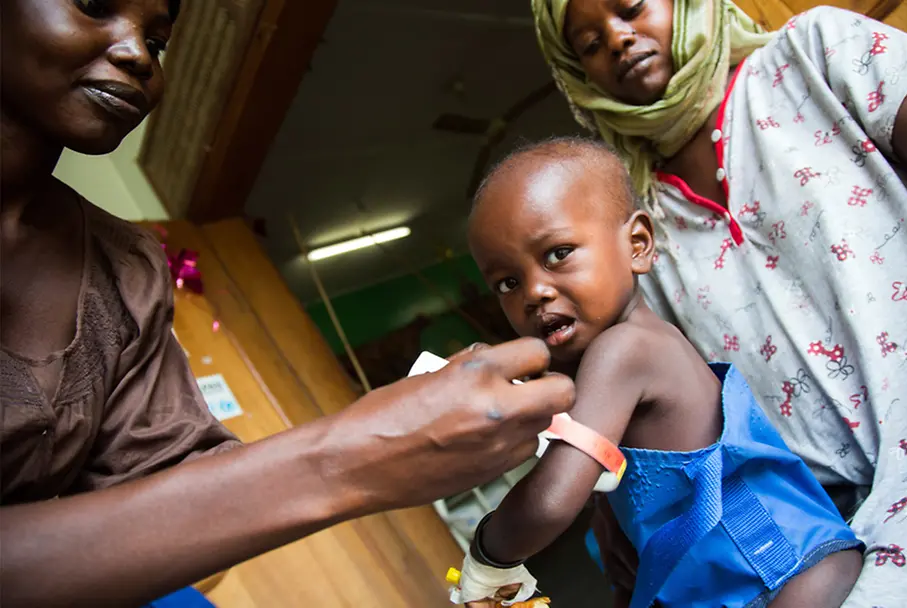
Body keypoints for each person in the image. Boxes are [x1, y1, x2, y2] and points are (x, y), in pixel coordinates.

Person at [0, 1, 574, 605]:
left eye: (158, 41)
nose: (137, 53)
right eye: (94, 4)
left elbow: (179, 491)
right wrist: (358, 454)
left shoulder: (126, 273)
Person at [529, 0, 907, 605]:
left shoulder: (813, 57)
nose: (617, 39)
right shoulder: (636, 236)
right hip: (850, 527)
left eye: (632, 7)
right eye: (587, 43)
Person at [458, 137, 863, 607]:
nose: (535, 291)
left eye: (557, 253)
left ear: (637, 244)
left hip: (789, 580)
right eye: (507, 282)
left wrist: (485, 557)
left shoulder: (625, 351)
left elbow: (552, 499)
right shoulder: (611, 364)